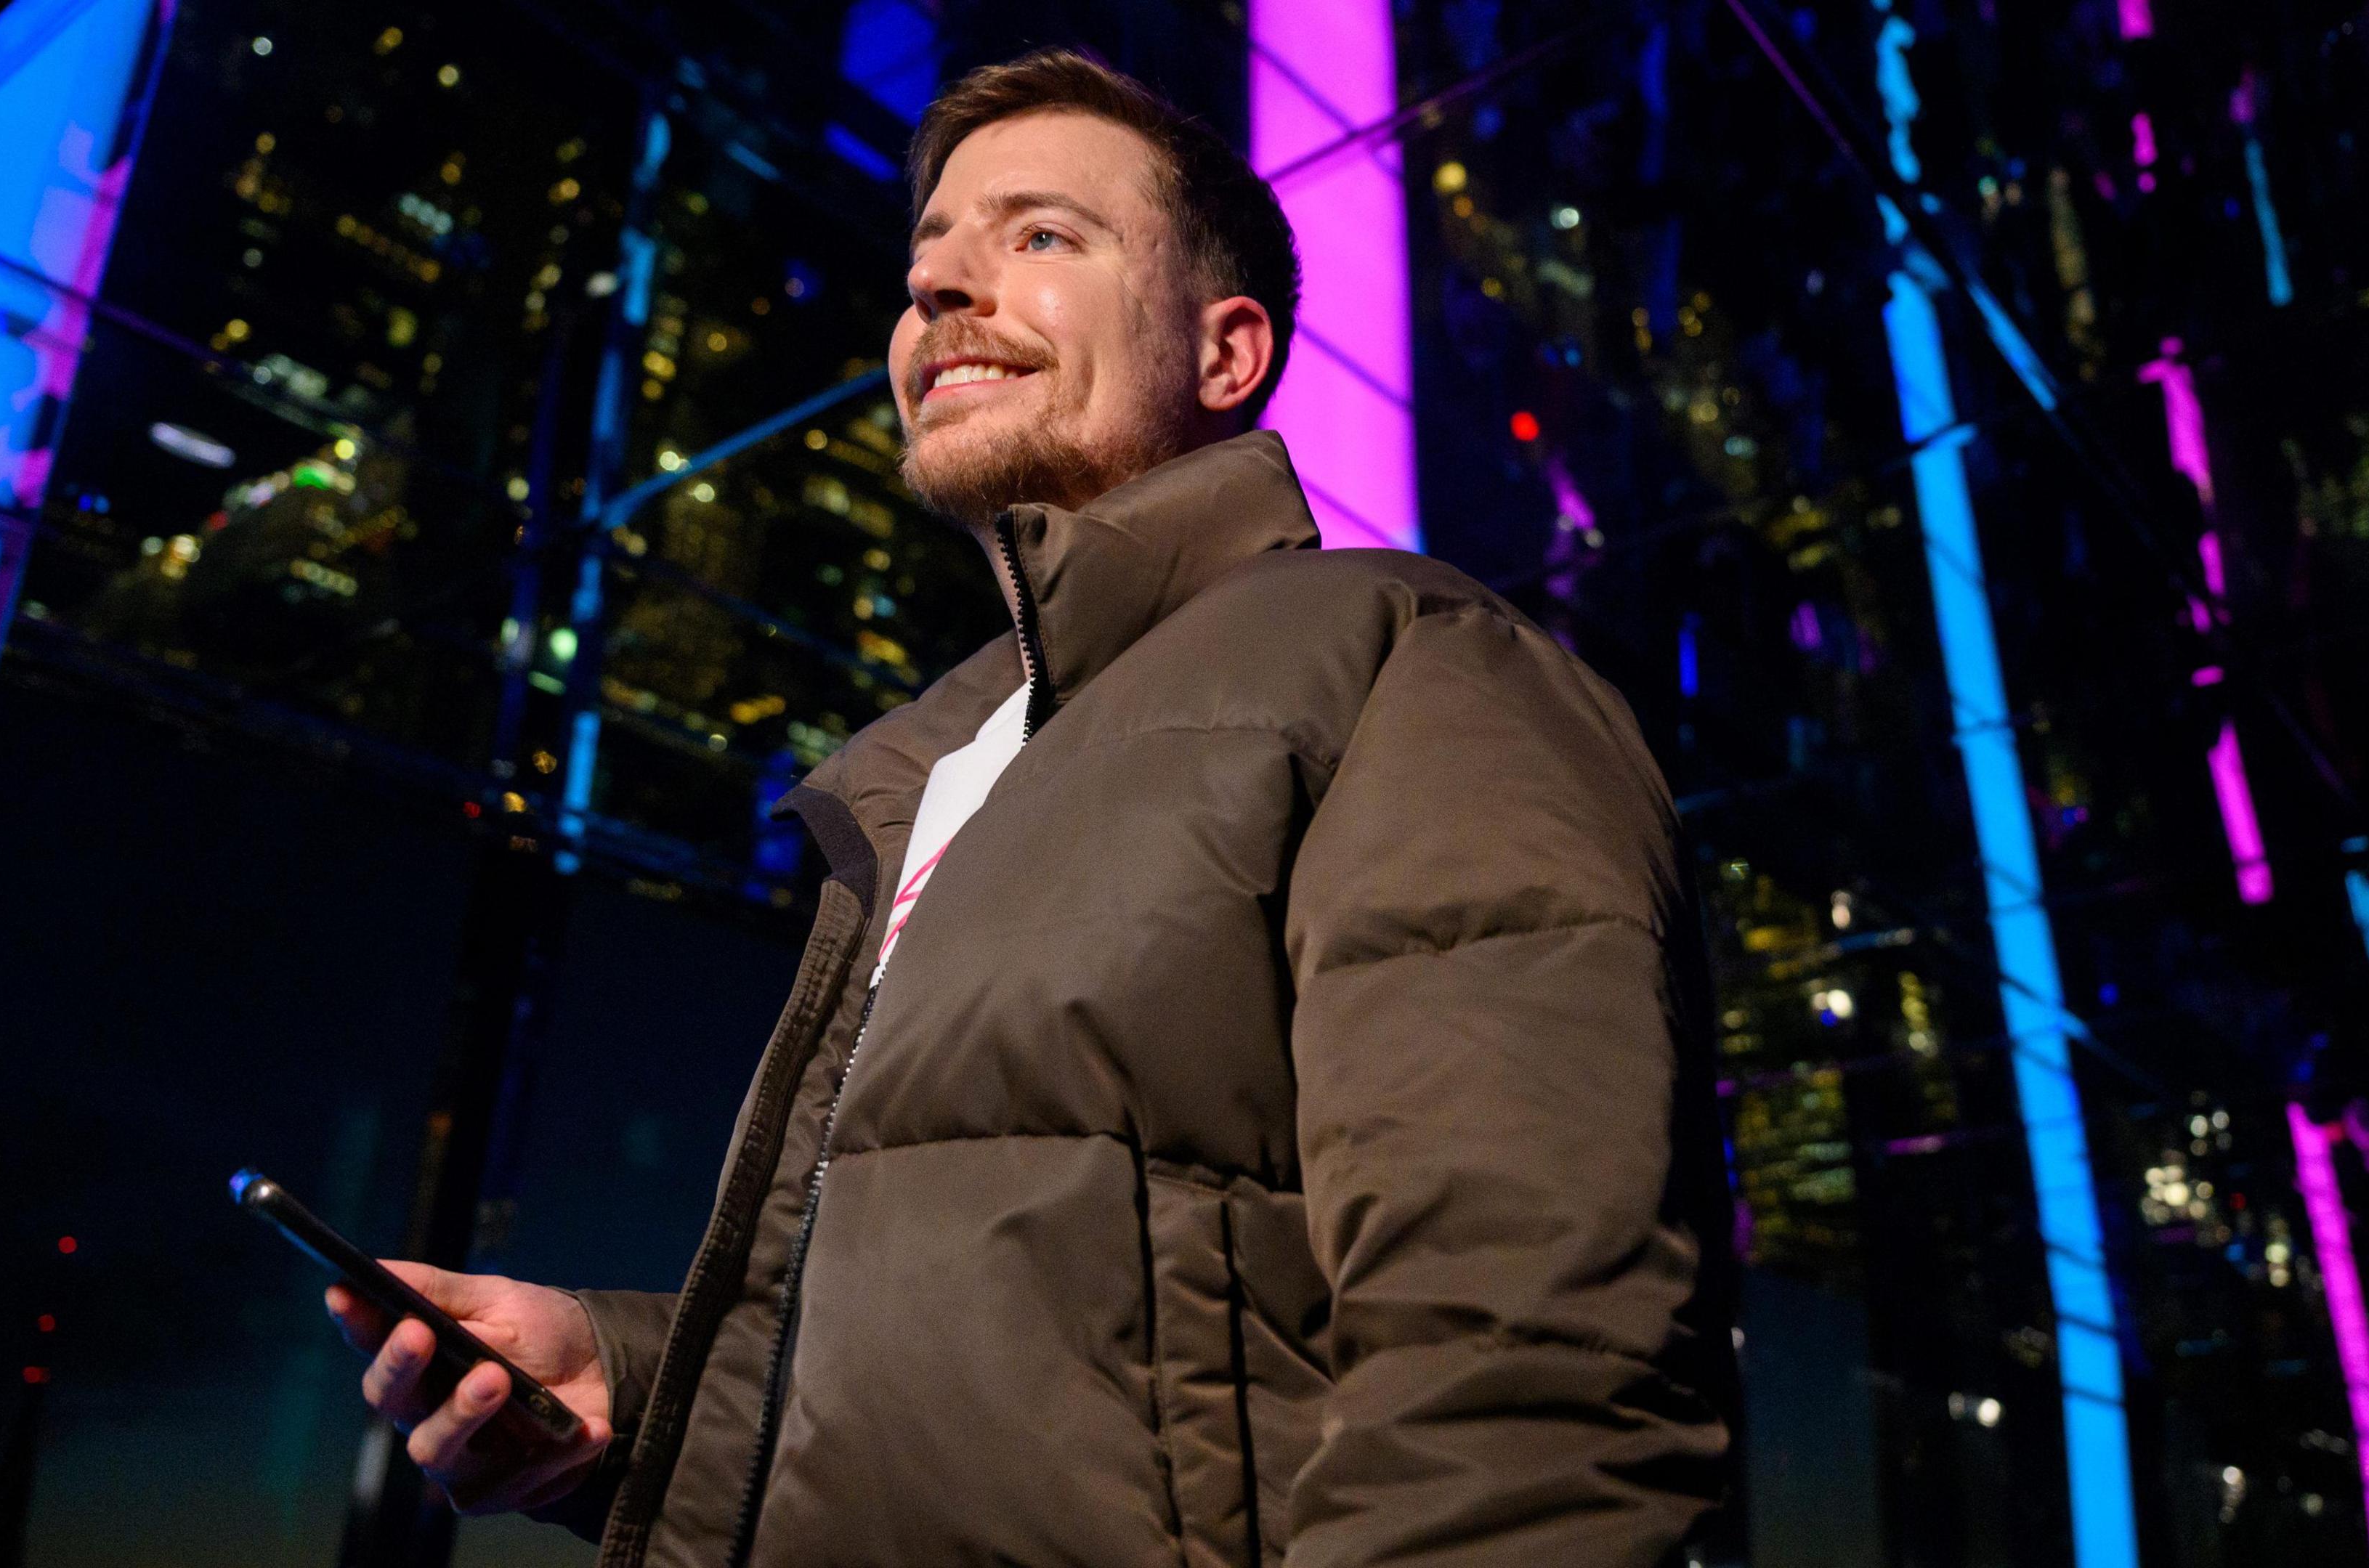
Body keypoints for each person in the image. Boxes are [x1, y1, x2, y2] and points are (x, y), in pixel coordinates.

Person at [329, 48, 1726, 1566]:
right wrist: (638, 1385)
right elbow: (1039, 1321)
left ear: (1227, 350)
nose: (940, 294)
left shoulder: (1413, 661)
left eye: (1042, 236)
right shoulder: (936, 770)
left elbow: (1527, 1372)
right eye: (926, 262)